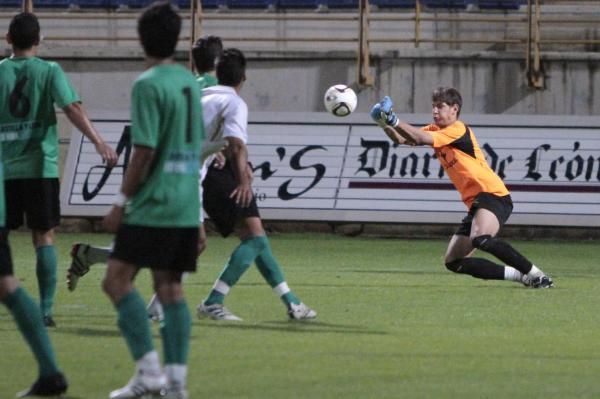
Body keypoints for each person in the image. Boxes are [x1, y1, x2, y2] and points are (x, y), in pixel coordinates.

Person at [101, 2, 204, 398]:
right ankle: (176, 385)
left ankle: (148, 373)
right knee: (170, 289)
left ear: (142, 38)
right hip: (183, 202)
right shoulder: (186, 83)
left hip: (154, 202)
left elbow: (143, 151)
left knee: (115, 280)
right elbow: (192, 148)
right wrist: (196, 217)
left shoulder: (147, 84)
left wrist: (120, 200)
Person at [0, 12, 118, 327]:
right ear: (39, 40)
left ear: (8, 39)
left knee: (2, 236)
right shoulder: (49, 70)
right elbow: (72, 108)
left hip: (3, 171)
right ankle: (45, 311)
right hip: (41, 167)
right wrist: (99, 143)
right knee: (44, 235)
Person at [370, 87, 554, 288]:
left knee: (481, 239)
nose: (435, 111)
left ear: (454, 109)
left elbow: (420, 138)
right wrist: (382, 122)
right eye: (433, 107)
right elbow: (403, 138)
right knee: (453, 261)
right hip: (477, 202)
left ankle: (537, 274)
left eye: (440, 106)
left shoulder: (458, 129)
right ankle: (522, 277)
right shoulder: (435, 130)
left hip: (493, 193)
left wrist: (392, 119)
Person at [196, 48, 316, 321]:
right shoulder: (234, 103)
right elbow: (236, 145)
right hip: (217, 175)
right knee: (251, 237)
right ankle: (212, 301)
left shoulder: (200, 96)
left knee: (255, 236)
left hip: (195, 173)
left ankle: (292, 302)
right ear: (244, 78)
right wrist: (243, 179)